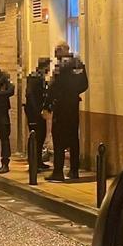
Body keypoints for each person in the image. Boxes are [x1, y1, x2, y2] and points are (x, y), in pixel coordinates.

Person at [45, 42, 88, 182]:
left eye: (56, 51)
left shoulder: (61, 66)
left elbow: (53, 87)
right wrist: (73, 94)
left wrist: (47, 106)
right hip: (73, 105)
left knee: (58, 138)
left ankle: (58, 172)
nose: (55, 54)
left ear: (61, 51)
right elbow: (84, 85)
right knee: (73, 138)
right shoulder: (79, 64)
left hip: (61, 106)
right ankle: (74, 170)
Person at [24, 57, 52, 171]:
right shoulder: (35, 77)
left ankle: (38, 161)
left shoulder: (39, 77)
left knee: (40, 137)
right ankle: (33, 162)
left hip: (37, 111)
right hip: (34, 112)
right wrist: (38, 110)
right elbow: (31, 95)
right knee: (35, 136)